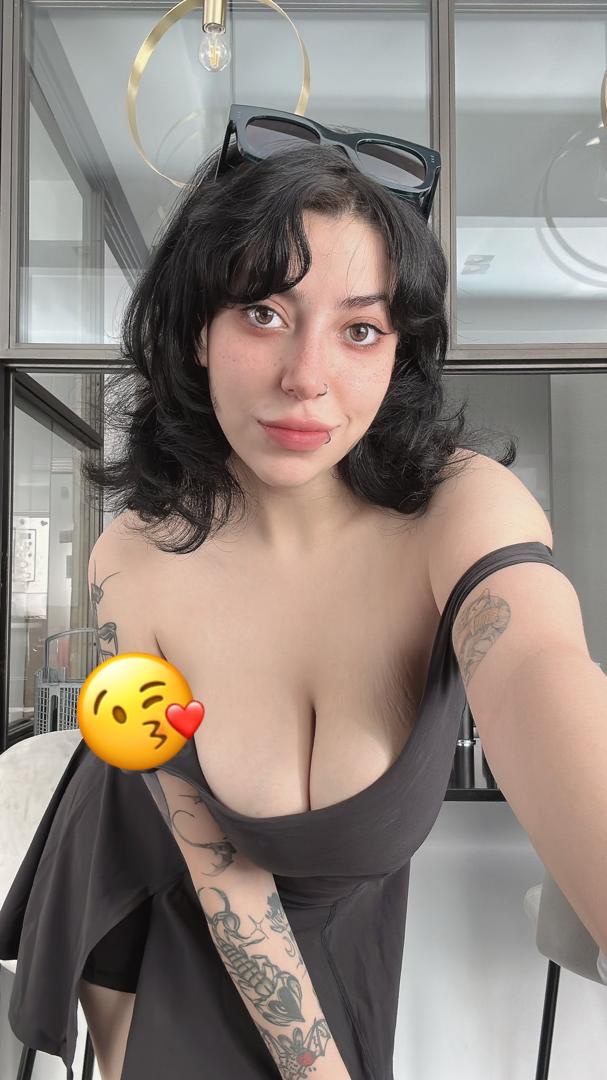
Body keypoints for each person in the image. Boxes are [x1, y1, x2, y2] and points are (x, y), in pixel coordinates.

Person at [0, 107, 558, 1080]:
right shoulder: (132, 558)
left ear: (398, 353)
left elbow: (545, 676)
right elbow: (216, 866)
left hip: (337, 939)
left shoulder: (460, 513)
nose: (306, 378)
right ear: (198, 332)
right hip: (141, 886)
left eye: (359, 328)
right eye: (263, 312)